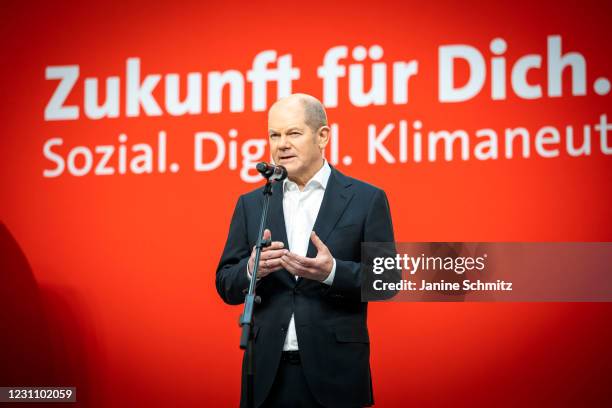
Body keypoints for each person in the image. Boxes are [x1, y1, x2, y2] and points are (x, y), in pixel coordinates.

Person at [216, 93, 395, 407]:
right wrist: (250, 270)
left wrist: (333, 272)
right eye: (275, 135)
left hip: (336, 372)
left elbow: (388, 281)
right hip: (266, 375)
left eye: (293, 133)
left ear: (322, 136)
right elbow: (225, 283)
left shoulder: (366, 199)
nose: (281, 144)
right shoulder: (253, 203)